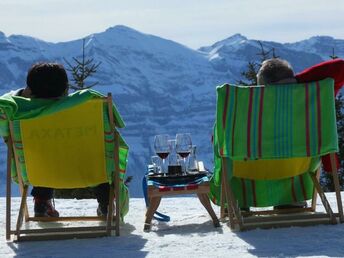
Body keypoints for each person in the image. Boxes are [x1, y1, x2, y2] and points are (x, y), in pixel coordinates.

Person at [8, 62, 112, 217]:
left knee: (40, 154)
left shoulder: (20, 113)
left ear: (30, 89)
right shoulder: (88, 109)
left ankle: (41, 202)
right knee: (98, 155)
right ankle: (106, 204)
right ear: (65, 88)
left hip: (39, 172)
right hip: (88, 170)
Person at [256, 58, 344, 209]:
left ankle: (238, 201)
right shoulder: (312, 97)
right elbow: (340, 65)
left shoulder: (253, 107)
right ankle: (292, 198)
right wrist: (297, 83)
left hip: (255, 171)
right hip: (303, 164)